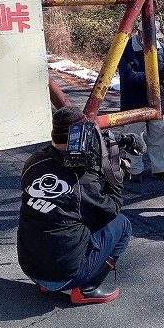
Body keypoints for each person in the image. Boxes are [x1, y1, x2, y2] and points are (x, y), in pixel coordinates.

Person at [17, 106, 132, 304]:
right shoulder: (82, 182)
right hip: (64, 275)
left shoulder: (33, 162)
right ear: (81, 136)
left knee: (64, 217)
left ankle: (47, 283)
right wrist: (116, 175)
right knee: (122, 224)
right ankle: (87, 288)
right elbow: (112, 209)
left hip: (30, 267)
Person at [117, 19, 164, 182]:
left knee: (158, 136)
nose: (153, 40)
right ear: (139, 33)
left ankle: (159, 169)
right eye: (149, 35)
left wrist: (151, 76)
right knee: (134, 137)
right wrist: (154, 75)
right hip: (133, 101)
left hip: (156, 100)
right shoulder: (125, 49)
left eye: (155, 36)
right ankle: (134, 170)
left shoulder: (163, 49)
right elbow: (128, 77)